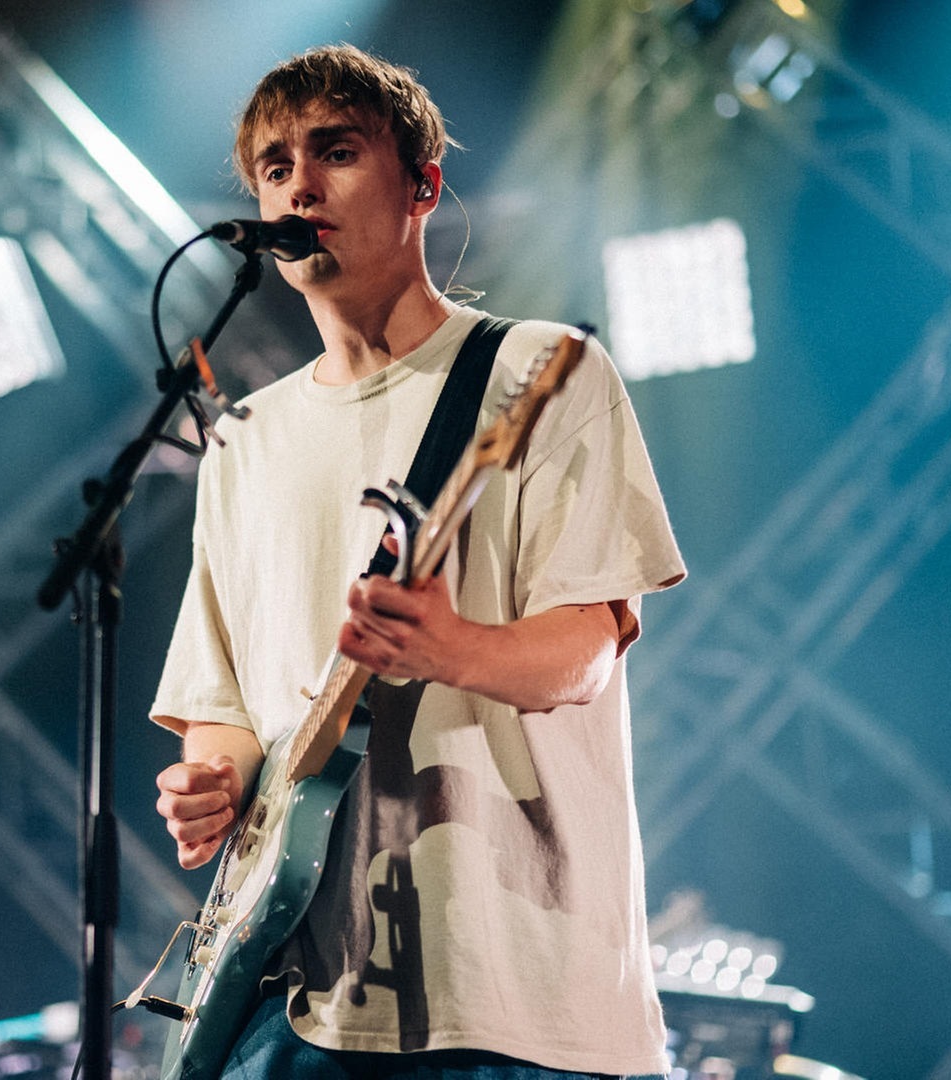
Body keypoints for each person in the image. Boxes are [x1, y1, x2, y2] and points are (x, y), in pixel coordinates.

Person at [149, 44, 686, 1080]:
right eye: (273, 166)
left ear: (423, 186)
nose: (298, 183)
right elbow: (225, 702)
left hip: (522, 997)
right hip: (300, 994)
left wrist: (453, 646)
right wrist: (210, 780)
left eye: (336, 151)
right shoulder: (243, 439)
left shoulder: (537, 372)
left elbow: (586, 651)